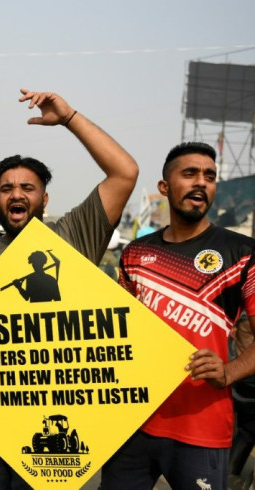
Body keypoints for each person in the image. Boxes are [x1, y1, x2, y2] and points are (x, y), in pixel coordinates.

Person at [0, 88, 139, 489]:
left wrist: (69, 117)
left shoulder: (73, 236)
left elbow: (124, 172)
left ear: (44, 198)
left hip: (52, 426)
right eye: (6, 188)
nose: (16, 193)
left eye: (27, 187)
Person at [101, 142, 255, 489]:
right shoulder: (136, 252)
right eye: (190, 174)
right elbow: (118, 334)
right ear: (165, 187)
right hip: (132, 422)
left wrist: (229, 371)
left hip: (202, 426)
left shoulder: (243, 252)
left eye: (210, 176)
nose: (201, 182)